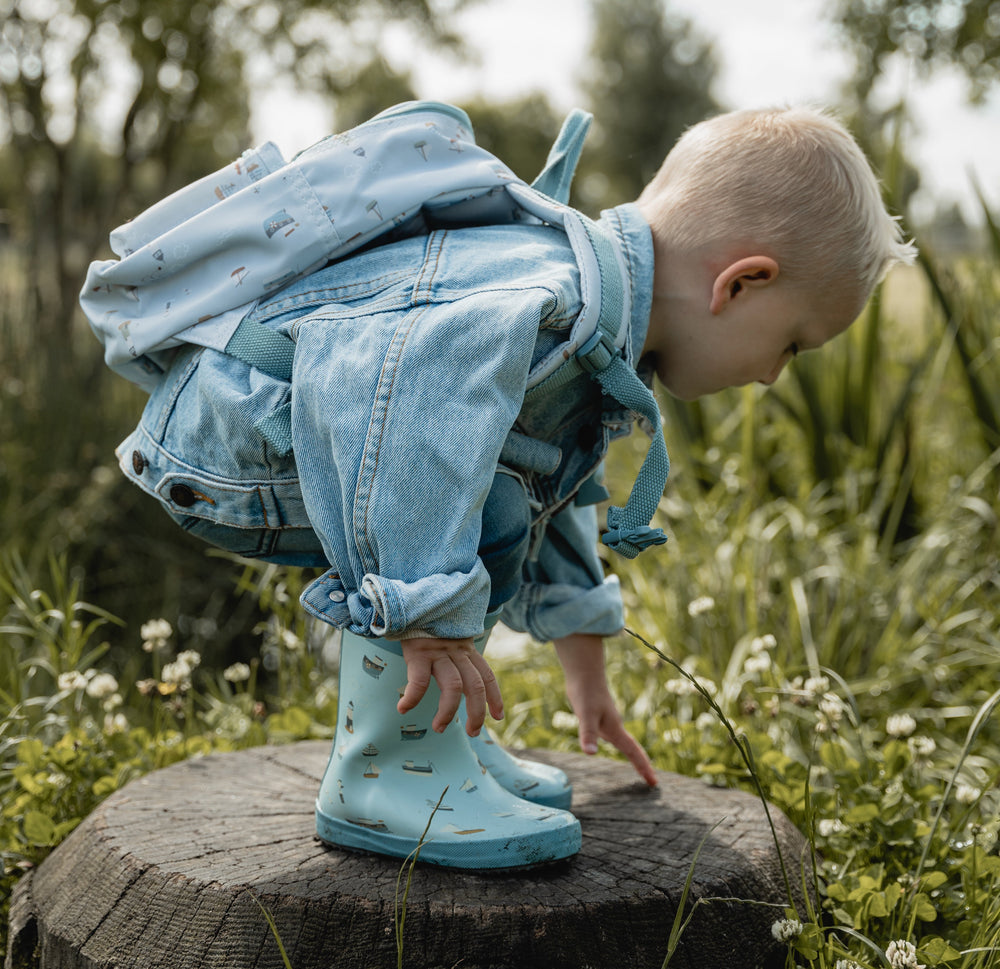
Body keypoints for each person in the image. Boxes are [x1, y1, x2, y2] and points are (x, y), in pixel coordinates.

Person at [105, 104, 915, 870]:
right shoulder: (546, 302)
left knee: (492, 479)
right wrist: (424, 614)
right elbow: (406, 419)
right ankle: (390, 772)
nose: (774, 377)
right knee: (470, 484)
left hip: (295, 434)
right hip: (239, 440)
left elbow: (547, 487)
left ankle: (434, 738)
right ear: (739, 283)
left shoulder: (595, 320)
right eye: (793, 345)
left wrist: (585, 664)